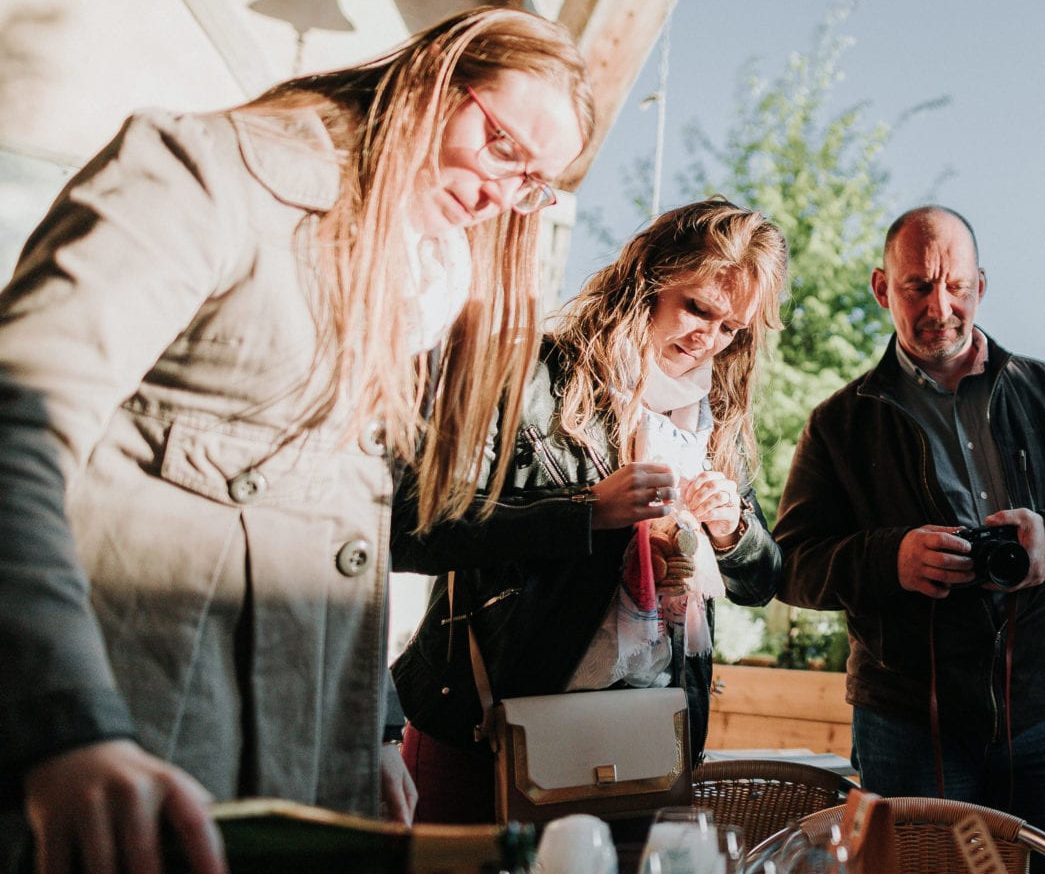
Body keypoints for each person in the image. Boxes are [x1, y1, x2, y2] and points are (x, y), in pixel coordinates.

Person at [0, 8, 591, 871]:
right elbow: (17, 432)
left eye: (532, 180)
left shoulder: (401, 283)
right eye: (502, 144)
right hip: (131, 769)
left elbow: (341, 529)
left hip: (302, 780)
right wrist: (66, 728)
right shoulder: (202, 173)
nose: (503, 193)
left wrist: (378, 726)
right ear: (433, 76)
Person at [775, 206, 1045, 874]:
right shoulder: (838, 424)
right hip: (909, 730)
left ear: (981, 286)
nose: (939, 305)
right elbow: (792, 564)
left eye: (956, 284)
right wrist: (892, 558)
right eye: (917, 286)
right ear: (881, 289)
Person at [389, 198, 787, 823]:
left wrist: (732, 530)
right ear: (648, 280)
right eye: (697, 308)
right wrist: (585, 511)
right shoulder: (534, 375)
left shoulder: (714, 421)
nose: (709, 340)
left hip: (641, 738)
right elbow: (413, 529)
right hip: (487, 729)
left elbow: (763, 580)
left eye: (731, 328)